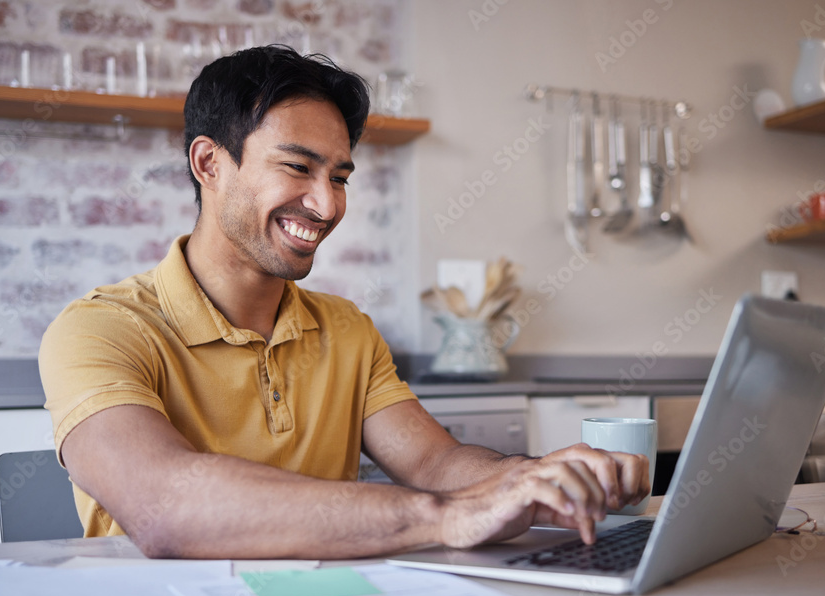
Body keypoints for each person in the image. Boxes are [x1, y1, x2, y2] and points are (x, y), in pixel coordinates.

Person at [39, 45, 649, 560]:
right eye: (297, 168)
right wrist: (443, 518)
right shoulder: (99, 330)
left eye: (339, 177)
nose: (326, 205)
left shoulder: (346, 330)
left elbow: (436, 463)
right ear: (209, 163)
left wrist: (538, 479)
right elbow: (163, 504)